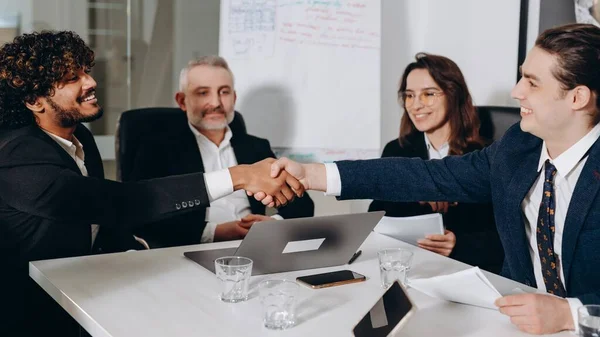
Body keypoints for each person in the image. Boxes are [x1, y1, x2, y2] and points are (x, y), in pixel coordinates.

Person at [264, 23, 600, 334]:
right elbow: (427, 175)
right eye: (521, 78)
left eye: (532, 82)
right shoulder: (519, 147)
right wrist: (311, 174)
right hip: (510, 319)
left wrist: (571, 314)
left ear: (577, 98)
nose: (516, 92)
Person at [0, 31, 301, 337]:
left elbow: (102, 225)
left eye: (85, 71)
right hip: (32, 314)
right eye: (71, 78)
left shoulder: (81, 138)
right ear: (34, 101)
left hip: (89, 286)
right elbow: (120, 203)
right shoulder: (17, 156)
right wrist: (238, 176)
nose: (90, 82)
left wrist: (137, 254)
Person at [126, 56, 314, 247]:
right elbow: (141, 214)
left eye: (224, 92)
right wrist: (214, 232)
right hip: (189, 250)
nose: (215, 102)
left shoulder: (256, 147)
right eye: (203, 93)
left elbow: (304, 206)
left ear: (234, 98)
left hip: (253, 248)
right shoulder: (157, 149)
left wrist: (273, 224)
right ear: (182, 101)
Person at [368, 53, 503, 273]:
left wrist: (458, 244)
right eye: (409, 96)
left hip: (468, 270)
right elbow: (378, 216)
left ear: (453, 95)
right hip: (410, 266)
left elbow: (506, 237)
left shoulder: (485, 155)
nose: (416, 105)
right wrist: (417, 194)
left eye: (428, 94)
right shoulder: (397, 149)